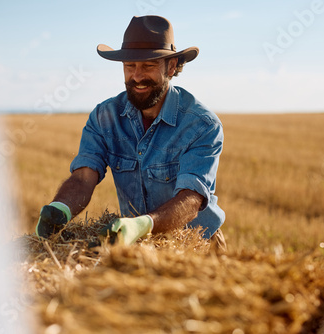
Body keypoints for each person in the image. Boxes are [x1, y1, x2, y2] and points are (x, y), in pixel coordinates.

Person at [35, 15, 226, 250]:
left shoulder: (202, 125)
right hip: (138, 246)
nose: (137, 76)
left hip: (196, 245)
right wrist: (61, 208)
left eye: (148, 66)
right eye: (130, 66)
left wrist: (143, 225)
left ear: (172, 66)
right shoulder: (104, 117)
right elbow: (84, 176)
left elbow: (191, 199)